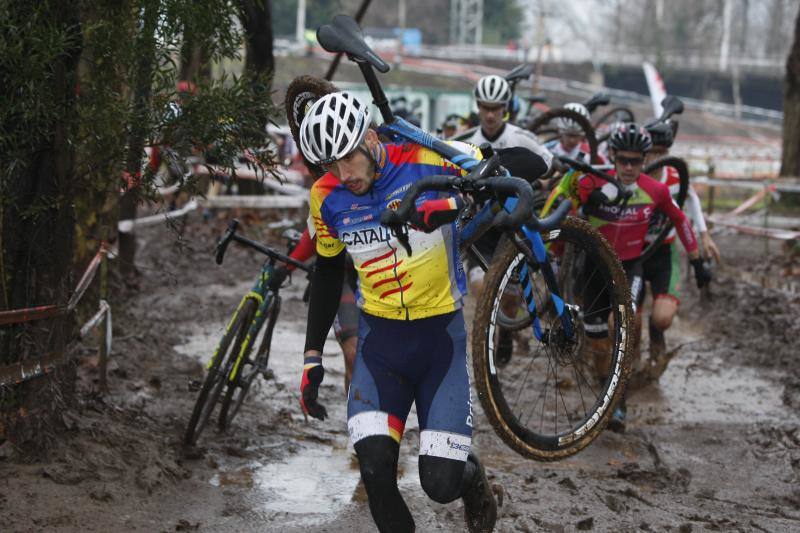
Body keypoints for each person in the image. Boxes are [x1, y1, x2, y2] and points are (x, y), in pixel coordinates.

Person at [297, 91, 497, 533]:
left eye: (349, 159)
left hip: (439, 340)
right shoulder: (325, 196)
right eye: (331, 165)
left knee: (440, 483)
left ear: (371, 137)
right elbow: (328, 272)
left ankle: (472, 479)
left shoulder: (428, 158)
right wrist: (312, 356)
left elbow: (508, 168)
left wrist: (480, 184)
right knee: (374, 466)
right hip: (380, 347)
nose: (344, 174)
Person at [577, 123, 712, 431]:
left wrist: (697, 259)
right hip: (594, 270)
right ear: (612, 156)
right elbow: (561, 205)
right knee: (598, 347)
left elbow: (680, 220)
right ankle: (605, 389)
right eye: (622, 159)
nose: (628, 167)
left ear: (645, 160)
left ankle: (619, 400)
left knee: (623, 325)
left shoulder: (656, 190)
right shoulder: (591, 180)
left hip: (629, 268)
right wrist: (582, 203)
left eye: (635, 161)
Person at [465, 74, 553, 364]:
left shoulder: (520, 137)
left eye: (497, 108)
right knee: (484, 288)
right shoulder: (467, 141)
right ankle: (493, 329)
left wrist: (536, 183)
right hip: (483, 231)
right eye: (485, 107)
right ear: (478, 107)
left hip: (512, 226)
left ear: (506, 108)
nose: (490, 114)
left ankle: (504, 335)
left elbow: (548, 162)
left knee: (512, 297)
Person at [641, 119, 720, 362]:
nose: (655, 157)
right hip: (635, 253)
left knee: (662, 318)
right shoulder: (633, 176)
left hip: (664, 252)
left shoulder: (675, 177)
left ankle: (656, 333)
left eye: (661, 152)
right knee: (627, 325)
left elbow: (692, 201)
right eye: (650, 152)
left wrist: (704, 234)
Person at [272, 228, 359, 391]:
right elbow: (316, 229)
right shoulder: (328, 202)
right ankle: (356, 413)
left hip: (388, 277)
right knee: (354, 355)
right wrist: (288, 265)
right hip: (344, 275)